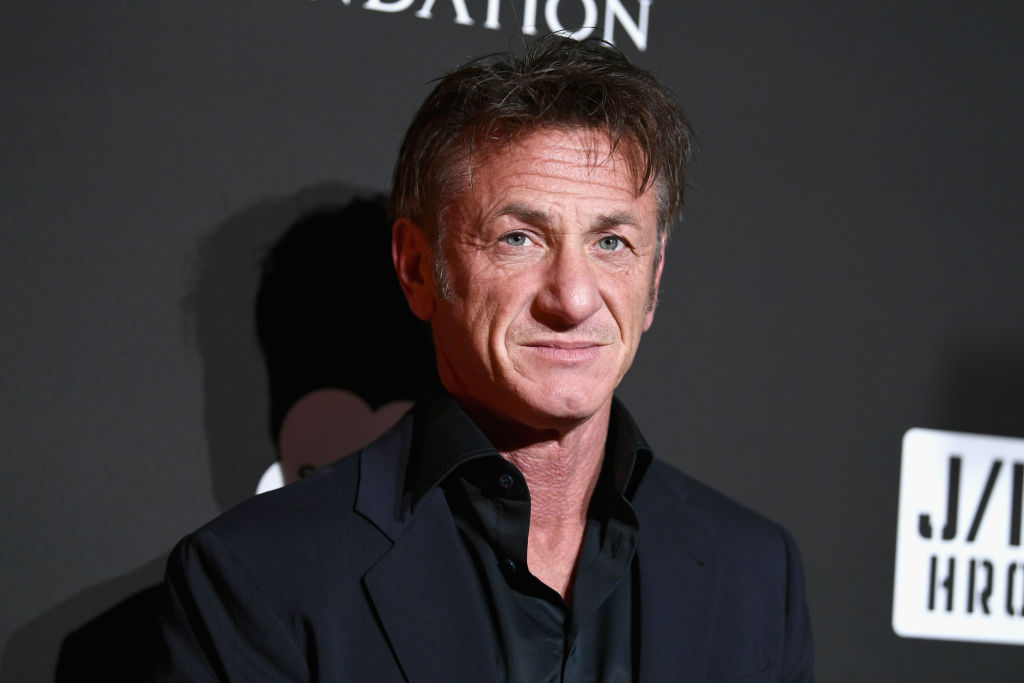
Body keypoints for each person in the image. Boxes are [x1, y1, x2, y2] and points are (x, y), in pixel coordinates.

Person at [155, 35, 814, 682]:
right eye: (519, 238)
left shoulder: (757, 574)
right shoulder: (258, 578)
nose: (573, 297)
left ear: (655, 278)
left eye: (612, 242)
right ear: (418, 269)